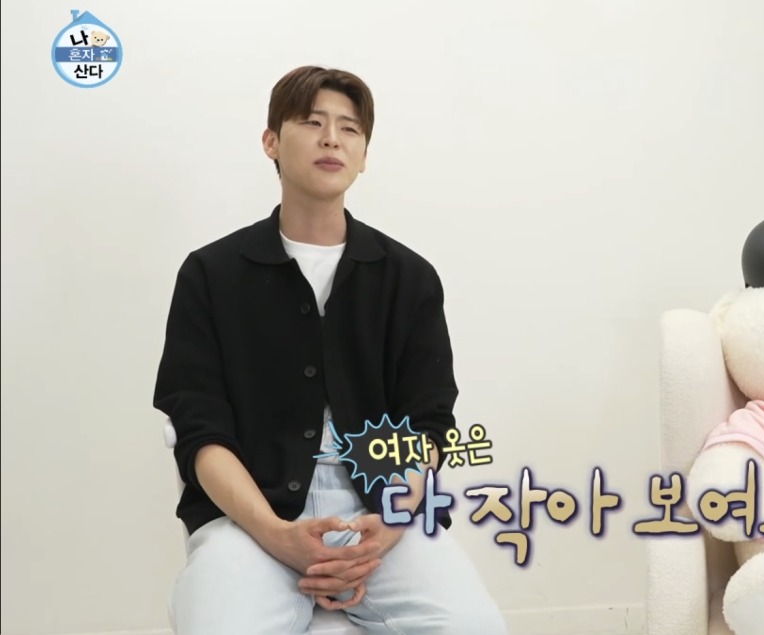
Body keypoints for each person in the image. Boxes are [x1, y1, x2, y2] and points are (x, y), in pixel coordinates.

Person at [153, 65, 508, 635]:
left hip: (383, 514)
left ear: (364, 155)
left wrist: (387, 526)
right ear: (271, 141)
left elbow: (429, 426)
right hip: (251, 521)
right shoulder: (210, 275)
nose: (331, 139)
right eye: (312, 122)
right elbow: (200, 432)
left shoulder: (408, 278)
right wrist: (277, 535)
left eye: (349, 129)